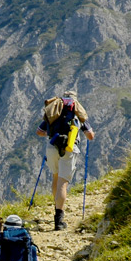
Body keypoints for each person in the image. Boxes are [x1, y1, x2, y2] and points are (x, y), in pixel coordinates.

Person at [36, 89, 95, 230]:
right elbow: (90, 136)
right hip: (69, 148)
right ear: (75, 100)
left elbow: (39, 131)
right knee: (63, 183)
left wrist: (51, 133)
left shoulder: (54, 110)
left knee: (55, 178)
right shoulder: (77, 112)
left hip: (52, 146)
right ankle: (59, 220)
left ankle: (56, 206)